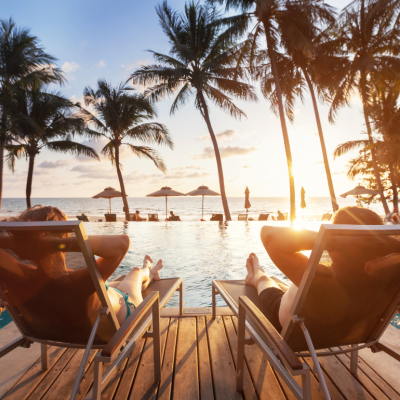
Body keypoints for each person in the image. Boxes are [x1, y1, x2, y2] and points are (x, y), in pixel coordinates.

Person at [0, 205, 163, 326]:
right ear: (62, 237)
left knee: (116, 282)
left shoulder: (24, 276)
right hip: (127, 310)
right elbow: (123, 242)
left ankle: (151, 273)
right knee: (135, 272)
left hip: (95, 302)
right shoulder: (76, 282)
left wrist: (25, 242)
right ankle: (149, 268)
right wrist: (56, 244)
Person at [244, 206, 395, 332]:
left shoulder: (321, 278)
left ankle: (256, 273)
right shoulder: (383, 277)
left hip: (285, 320)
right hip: (336, 331)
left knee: (264, 280)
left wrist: (335, 242)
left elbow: (268, 234)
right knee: (290, 287)